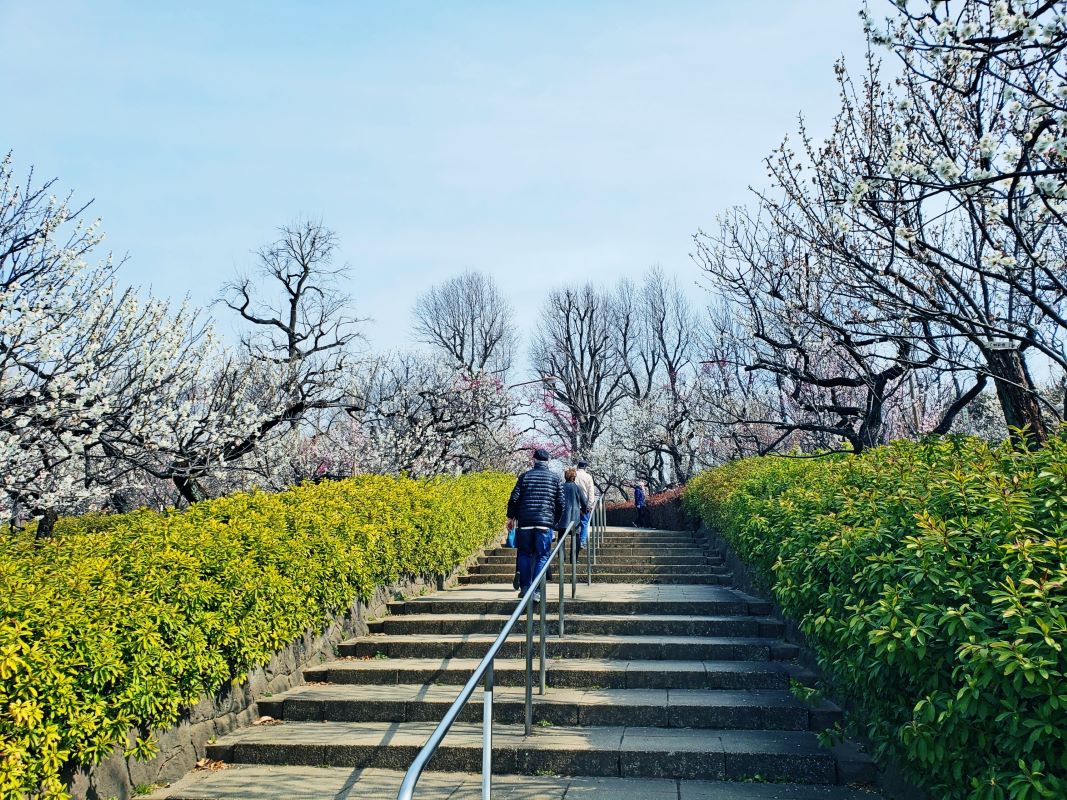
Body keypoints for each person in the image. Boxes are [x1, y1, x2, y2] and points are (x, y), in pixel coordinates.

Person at [506, 448, 565, 601]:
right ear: (548, 462)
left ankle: (525, 587)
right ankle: (536, 591)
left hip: (525, 522)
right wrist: (554, 521)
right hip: (545, 524)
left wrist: (510, 517)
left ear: (534, 460)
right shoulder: (555, 478)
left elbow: (514, 498)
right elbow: (561, 503)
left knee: (524, 554)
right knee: (542, 555)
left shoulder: (524, 477)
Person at [560, 467, 589, 554]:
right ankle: (573, 559)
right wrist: (584, 511)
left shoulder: (561, 487)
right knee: (575, 537)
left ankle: (562, 557)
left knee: (561, 537)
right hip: (575, 516)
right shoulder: (578, 488)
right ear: (574, 477)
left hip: (563, 516)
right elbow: (584, 502)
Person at [574, 459, 596, 550]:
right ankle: (582, 542)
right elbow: (591, 492)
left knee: (574, 524)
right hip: (584, 504)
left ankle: (575, 542)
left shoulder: (573, 475)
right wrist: (590, 505)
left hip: (574, 504)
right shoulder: (588, 477)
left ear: (578, 466)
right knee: (584, 523)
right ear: (585, 467)